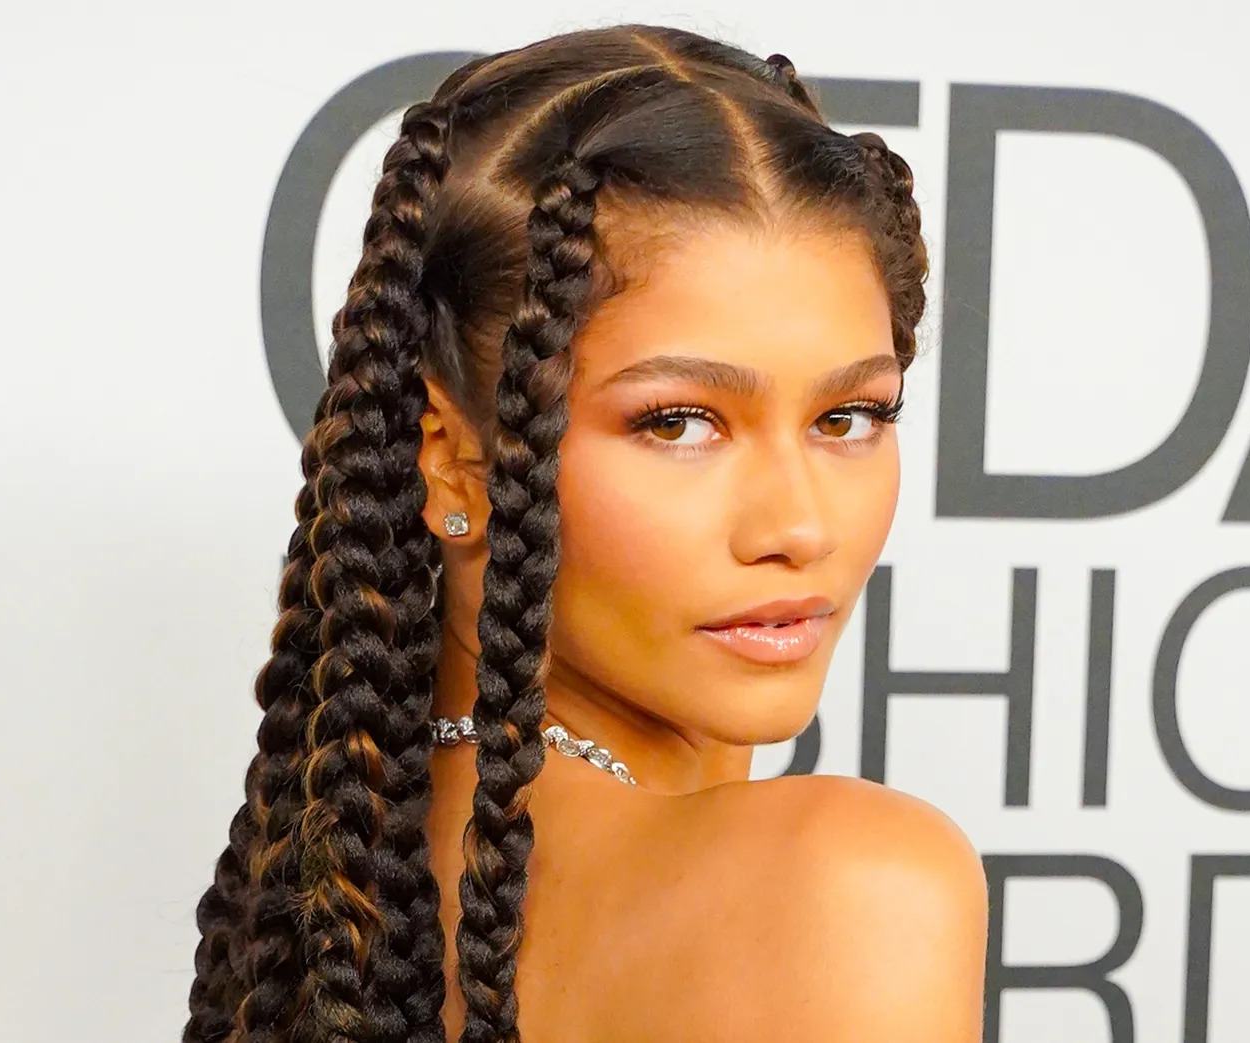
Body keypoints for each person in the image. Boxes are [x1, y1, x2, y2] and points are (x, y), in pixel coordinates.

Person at [183, 22, 988, 1043]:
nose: (797, 524)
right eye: (679, 423)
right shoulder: (850, 885)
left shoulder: (340, 884)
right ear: (452, 458)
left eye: (848, 416)